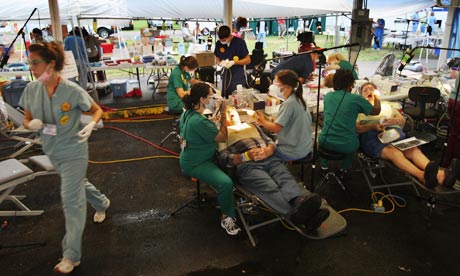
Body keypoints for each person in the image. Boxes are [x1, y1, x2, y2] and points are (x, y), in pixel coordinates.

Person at [19, 41, 110, 274]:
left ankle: (71, 256)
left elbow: (96, 110)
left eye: (35, 63)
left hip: (74, 150)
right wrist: (32, 124)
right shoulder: (32, 89)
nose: (32, 67)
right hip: (52, 149)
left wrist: (90, 125)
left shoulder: (71, 90)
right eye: (30, 63)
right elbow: (25, 119)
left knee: (71, 200)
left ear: (50, 64)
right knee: (77, 185)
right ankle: (101, 202)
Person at [217, 106, 329, 233]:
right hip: (248, 165)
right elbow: (223, 159)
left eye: (233, 113)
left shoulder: (252, 126)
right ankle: (300, 215)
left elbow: (270, 140)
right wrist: (245, 156)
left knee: (284, 177)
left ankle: (298, 202)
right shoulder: (222, 135)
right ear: (222, 120)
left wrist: (270, 149)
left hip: (269, 158)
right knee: (269, 186)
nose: (232, 116)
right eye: (227, 115)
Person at [357, 82, 459, 188]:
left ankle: (440, 175)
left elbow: (402, 120)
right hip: (373, 137)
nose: (369, 91)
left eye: (372, 89)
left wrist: (393, 120)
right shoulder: (359, 110)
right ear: (361, 96)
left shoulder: (387, 105)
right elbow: (357, 128)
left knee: (412, 149)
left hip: (394, 134)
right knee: (394, 152)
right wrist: (373, 126)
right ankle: (423, 176)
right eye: (365, 90)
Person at [179, 82, 241, 236]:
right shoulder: (199, 121)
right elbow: (222, 137)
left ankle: (227, 199)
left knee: (229, 169)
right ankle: (226, 217)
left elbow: (194, 130)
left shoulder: (188, 112)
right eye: (211, 96)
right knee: (225, 182)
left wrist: (212, 122)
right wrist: (224, 117)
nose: (213, 99)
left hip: (192, 156)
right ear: (202, 99)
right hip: (197, 163)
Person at [318, 69, 381, 176]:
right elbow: (376, 111)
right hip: (346, 144)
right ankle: (344, 170)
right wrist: (377, 97)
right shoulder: (356, 99)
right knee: (353, 144)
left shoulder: (328, 96)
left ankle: (324, 167)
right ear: (351, 84)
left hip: (324, 141)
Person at [256, 70, 313, 161]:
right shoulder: (298, 99)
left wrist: (262, 121)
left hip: (293, 151)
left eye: (276, 83)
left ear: (286, 87)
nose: (273, 85)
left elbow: (275, 128)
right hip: (305, 147)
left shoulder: (289, 104)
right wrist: (274, 120)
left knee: (261, 151)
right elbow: (291, 121)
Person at [214, 25, 250, 98]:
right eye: (221, 40)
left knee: (237, 95)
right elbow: (217, 58)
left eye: (224, 40)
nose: (222, 42)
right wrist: (221, 63)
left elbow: (248, 60)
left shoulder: (240, 43)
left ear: (230, 36)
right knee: (226, 94)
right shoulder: (218, 43)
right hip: (225, 73)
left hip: (238, 74)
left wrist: (234, 62)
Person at [442, 71, 460, 169]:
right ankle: (453, 167)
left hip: (454, 101)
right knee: (457, 137)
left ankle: (448, 164)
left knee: (454, 135)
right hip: (458, 103)